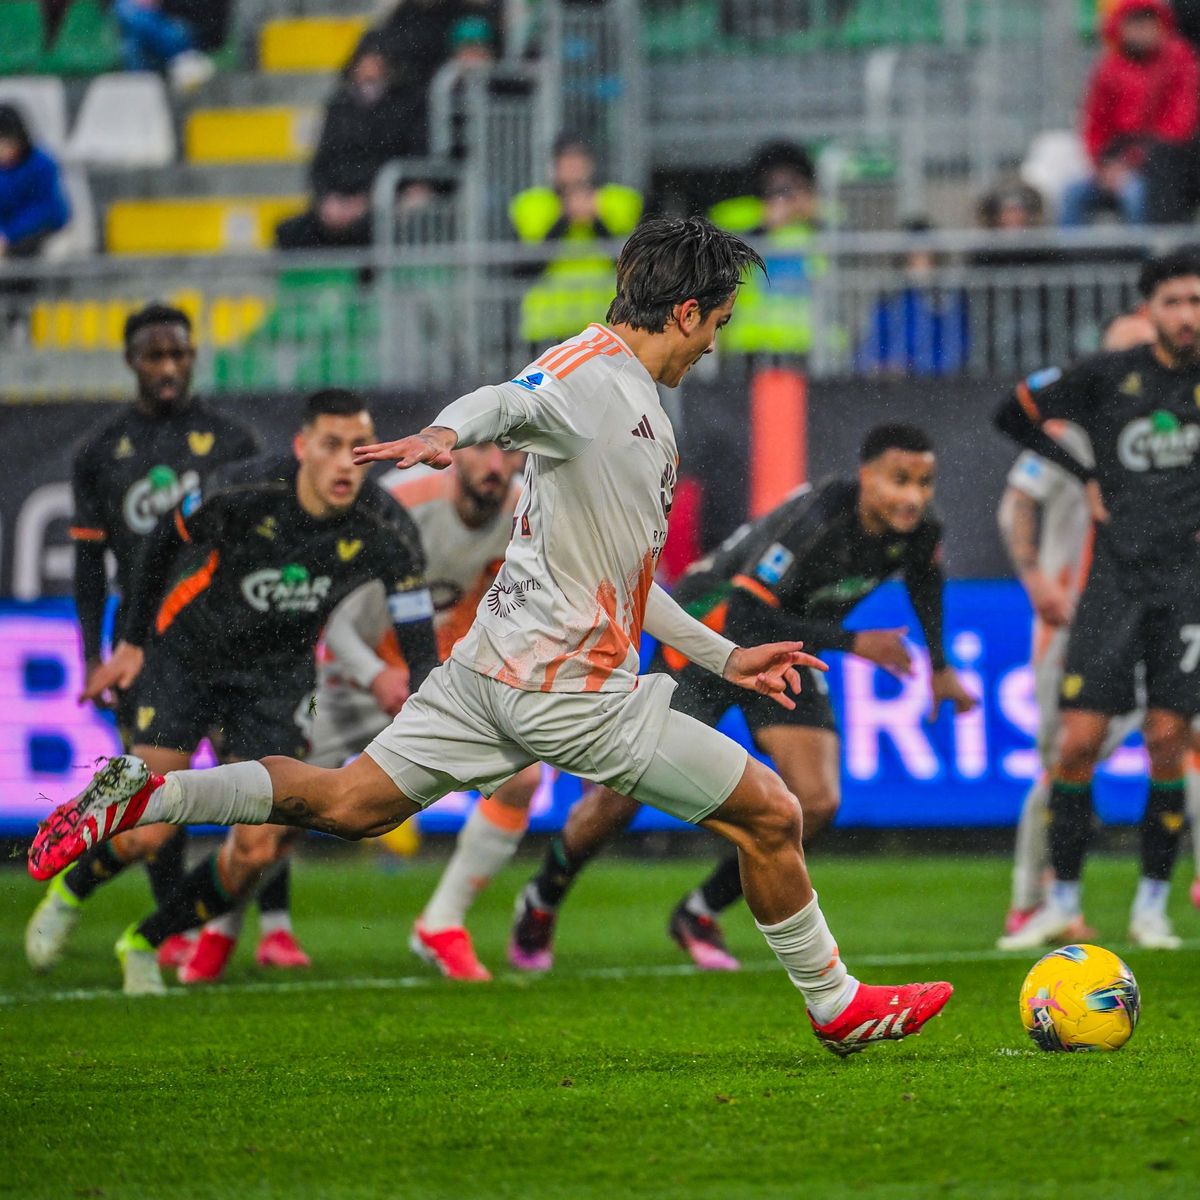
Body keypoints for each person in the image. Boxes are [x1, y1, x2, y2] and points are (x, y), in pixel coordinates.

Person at [30, 216, 953, 1054]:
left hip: (489, 674)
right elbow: (509, 400)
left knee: (350, 804)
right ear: (684, 311)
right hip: (569, 693)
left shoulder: (631, 398)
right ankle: (837, 1004)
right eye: (716, 321)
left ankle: (146, 796)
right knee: (777, 813)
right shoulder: (591, 375)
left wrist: (724, 655)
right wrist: (443, 431)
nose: (718, 341)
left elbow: (624, 578)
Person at [510, 424, 978, 973]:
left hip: (785, 651)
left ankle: (699, 912)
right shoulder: (819, 520)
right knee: (622, 793)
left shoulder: (920, 530)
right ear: (866, 476)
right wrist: (855, 642)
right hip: (710, 636)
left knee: (817, 801)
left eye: (925, 482)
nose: (914, 496)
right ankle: (544, 895)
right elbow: (745, 613)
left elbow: (925, 579)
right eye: (900, 480)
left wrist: (940, 668)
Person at [56, 389, 439, 995]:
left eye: (358, 450)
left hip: (277, 676)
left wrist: (429, 713)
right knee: (148, 831)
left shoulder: (388, 526)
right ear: (302, 447)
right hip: (190, 654)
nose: (346, 464)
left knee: (258, 851)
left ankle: (146, 940)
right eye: (332, 446)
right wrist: (127, 643)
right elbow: (160, 540)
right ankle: (69, 889)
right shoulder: (243, 487)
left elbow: (419, 641)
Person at [24, 303, 269, 976]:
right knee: (156, 800)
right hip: (150, 649)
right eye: (154, 356)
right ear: (132, 361)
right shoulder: (100, 453)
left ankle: (263, 927)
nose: (168, 368)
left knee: (266, 787)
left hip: (231, 641)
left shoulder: (233, 440)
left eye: (179, 355)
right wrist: (94, 656)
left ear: (192, 358)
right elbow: (86, 564)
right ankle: (157, 925)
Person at [994, 249, 1200, 951]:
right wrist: (1082, 471)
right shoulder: (1109, 377)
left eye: (1197, 301)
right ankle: (1061, 900)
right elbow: (1012, 411)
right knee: (1077, 743)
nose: (1187, 315)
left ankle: (1151, 908)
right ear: (1150, 311)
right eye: (1174, 301)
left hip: (1186, 586)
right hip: (1112, 582)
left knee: (1170, 740)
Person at [306, 441, 538, 981]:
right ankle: (210, 927)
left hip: (440, 682)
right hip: (353, 676)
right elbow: (329, 603)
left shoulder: (531, 512)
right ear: (457, 454)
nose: (497, 466)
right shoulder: (398, 503)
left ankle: (441, 921)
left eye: (510, 455)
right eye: (484, 450)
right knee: (275, 813)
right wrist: (372, 673)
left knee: (522, 778)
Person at [275, 36, 427, 252]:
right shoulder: (339, 107)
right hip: (336, 201)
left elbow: (406, 161)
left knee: (372, 230)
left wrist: (365, 201)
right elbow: (321, 163)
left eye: (376, 65)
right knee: (290, 231)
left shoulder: (404, 108)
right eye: (364, 65)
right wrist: (327, 201)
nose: (368, 73)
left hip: (379, 201)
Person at [1060, 0, 1199, 227]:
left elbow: (1179, 125)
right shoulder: (1108, 68)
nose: (1142, 30)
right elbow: (1094, 127)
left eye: (1148, 22)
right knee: (1072, 195)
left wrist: (1131, 163)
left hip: (1158, 165)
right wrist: (1104, 167)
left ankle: (1143, 260)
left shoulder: (1180, 59)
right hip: (1112, 164)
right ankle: (1070, 262)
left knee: (1137, 194)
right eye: (1134, 23)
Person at [510, 135, 643, 346]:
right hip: (549, 325)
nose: (573, 169)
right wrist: (565, 218)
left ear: (590, 165)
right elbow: (527, 266)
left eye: (578, 162)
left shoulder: (619, 200)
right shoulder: (532, 203)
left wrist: (597, 221)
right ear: (553, 167)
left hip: (606, 323)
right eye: (566, 162)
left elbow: (631, 263)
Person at [708, 141, 823, 358]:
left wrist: (815, 218)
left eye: (793, 184)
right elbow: (717, 251)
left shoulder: (819, 215)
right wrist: (764, 226)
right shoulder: (737, 213)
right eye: (778, 185)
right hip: (751, 343)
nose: (785, 194)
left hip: (810, 343)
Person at [854, 219, 969, 377]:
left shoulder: (946, 296)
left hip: (930, 384)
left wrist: (913, 367)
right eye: (911, 254)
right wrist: (876, 366)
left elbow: (953, 350)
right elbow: (872, 343)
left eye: (922, 254)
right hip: (890, 384)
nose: (916, 261)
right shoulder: (891, 295)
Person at [0, 103, 69, 262]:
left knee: (24, 250)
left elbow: (47, 209)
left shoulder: (42, 163)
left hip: (40, 228)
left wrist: (9, 234)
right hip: (6, 231)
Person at [113, 0, 216, 94]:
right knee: (134, 43)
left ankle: (138, 92)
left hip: (190, 29)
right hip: (159, 24)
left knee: (129, 14)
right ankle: (182, 57)